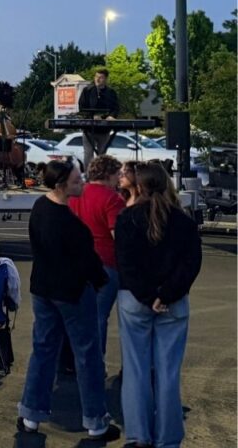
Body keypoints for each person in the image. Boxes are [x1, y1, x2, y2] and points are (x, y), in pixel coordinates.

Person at [17, 160, 120, 441]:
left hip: (43, 288)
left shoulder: (39, 207)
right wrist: (101, 281)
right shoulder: (71, 226)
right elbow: (89, 264)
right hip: (72, 293)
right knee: (87, 355)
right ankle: (95, 420)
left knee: (43, 350)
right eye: (77, 181)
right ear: (62, 186)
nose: (82, 184)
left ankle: (31, 414)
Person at [115, 162, 201, 448]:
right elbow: (191, 264)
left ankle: (138, 435)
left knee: (136, 370)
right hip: (173, 303)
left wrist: (148, 295)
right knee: (168, 373)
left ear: (140, 187)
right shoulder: (184, 221)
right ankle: (168, 438)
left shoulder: (127, 219)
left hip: (135, 301)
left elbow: (125, 264)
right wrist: (166, 294)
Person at [68, 154, 125, 358]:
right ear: (108, 175)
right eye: (117, 174)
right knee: (99, 317)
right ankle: (94, 363)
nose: (119, 179)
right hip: (106, 263)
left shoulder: (76, 195)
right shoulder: (113, 199)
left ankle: (76, 360)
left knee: (79, 315)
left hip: (78, 263)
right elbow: (118, 235)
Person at [77, 68, 120, 168]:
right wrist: (93, 116)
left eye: (101, 77)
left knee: (102, 155)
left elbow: (116, 108)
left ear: (105, 79)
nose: (97, 79)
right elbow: (82, 108)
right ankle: (88, 177)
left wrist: (111, 116)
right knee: (88, 154)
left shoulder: (111, 92)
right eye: (96, 77)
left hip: (104, 129)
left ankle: (101, 175)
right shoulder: (87, 90)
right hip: (89, 128)